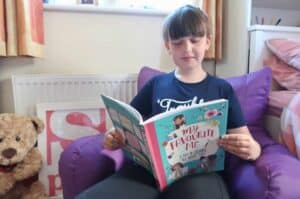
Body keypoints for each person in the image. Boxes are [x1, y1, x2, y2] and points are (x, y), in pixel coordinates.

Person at [76, 4, 261, 199]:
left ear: (207, 42)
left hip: (200, 174)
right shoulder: (156, 84)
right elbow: (125, 123)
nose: (187, 48)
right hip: (150, 173)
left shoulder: (222, 89)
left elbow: (248, 141)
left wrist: (252, 150)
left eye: (194, 41)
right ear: (168, 46)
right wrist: (113, 136)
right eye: (178, 42)